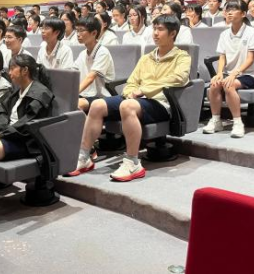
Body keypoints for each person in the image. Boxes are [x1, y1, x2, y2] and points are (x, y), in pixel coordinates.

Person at [68, 15, 191, 181]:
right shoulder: (146, 58)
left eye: (160, 29)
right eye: (154, 28)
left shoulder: (182, 57)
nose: (155, 33)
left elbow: (179, 78)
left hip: (160, 102)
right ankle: (84, 156)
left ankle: (132, 162)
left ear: (173, 33)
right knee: (97, 105)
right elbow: (132, 81)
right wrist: (130, 92)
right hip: (137, 99)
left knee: (127, 106)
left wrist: (144, 90)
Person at [0, 54, 54, 224]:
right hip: (9, 136)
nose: (9, 73)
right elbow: (3, 114)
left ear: (25, 70)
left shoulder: (41, 93)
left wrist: (0, 135)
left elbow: (27, 124)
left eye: (12, 68)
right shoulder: (17, 91)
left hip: (26, 142)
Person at [203, 0, 254, 138]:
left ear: (243, 14)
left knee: (229, 85)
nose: (229, 12)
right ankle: (216, 120)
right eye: (228, 10)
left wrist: (236, 73)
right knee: (214, 85)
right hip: (230, 73)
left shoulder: (252, 32)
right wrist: (219, 73)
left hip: (250, 74)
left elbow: (250, 59)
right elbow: (222, 57)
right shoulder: (224, 34)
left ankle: (237, 123)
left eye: (234, 9)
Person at [74, 16, 115, 112]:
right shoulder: (82, 54)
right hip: (84, 94)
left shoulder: (102, 52)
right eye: (77, 30)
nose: (78, 34)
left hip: (100, 96)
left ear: (94, 33)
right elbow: (72, 72)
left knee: (75, 104)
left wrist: (73, 94)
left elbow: (90, 77)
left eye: (81, 30)